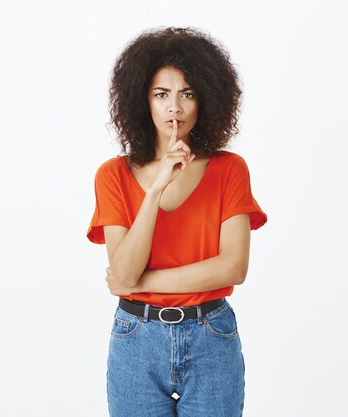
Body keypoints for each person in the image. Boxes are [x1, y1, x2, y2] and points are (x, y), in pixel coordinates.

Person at [86, 27, 268, 417]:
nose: (175, 107)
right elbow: (125, 268)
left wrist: (139, 283)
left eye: (187, 93)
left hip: (211, 338)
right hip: (136, 341)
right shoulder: (112, 175)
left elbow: (233, 268)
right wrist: (155, 190)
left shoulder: (229, 170)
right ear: (142, 101)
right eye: (161, 94)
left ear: (205, 100)